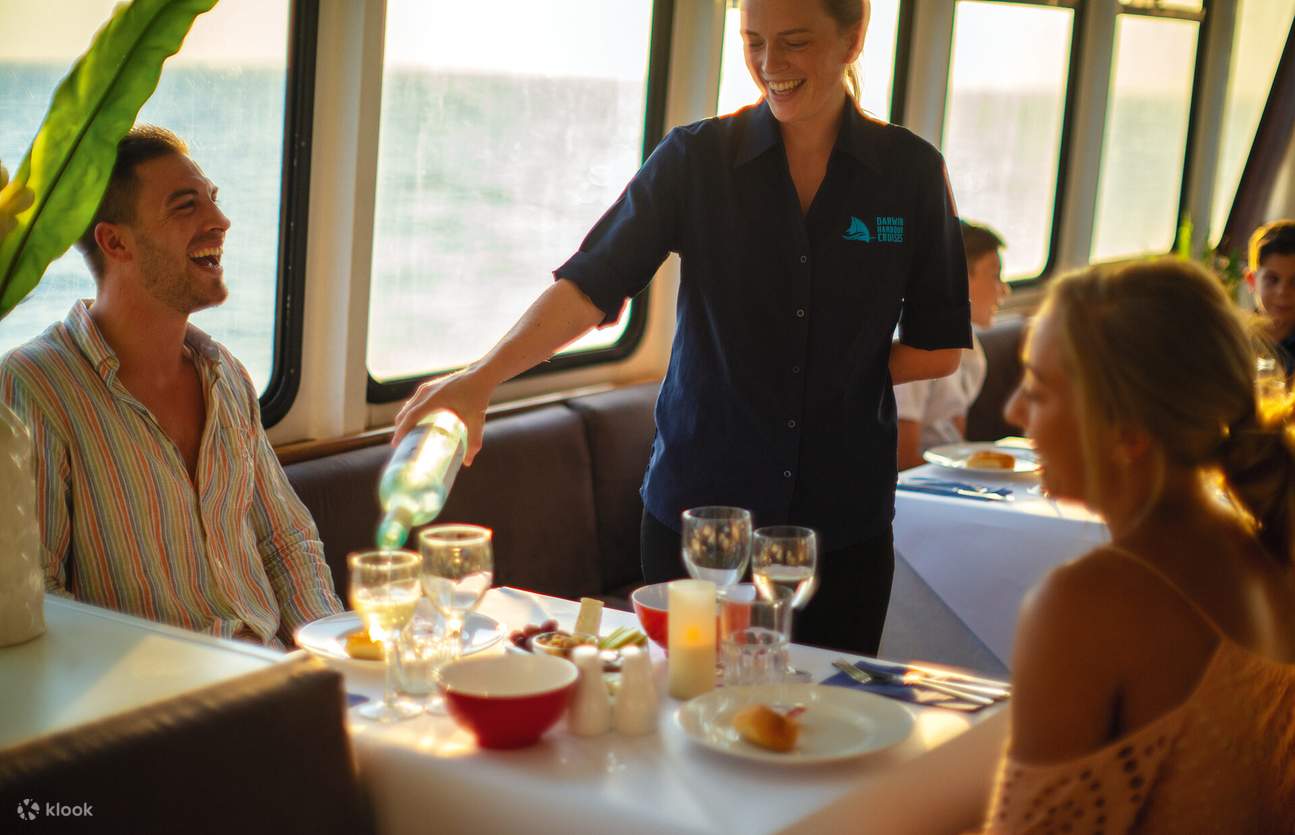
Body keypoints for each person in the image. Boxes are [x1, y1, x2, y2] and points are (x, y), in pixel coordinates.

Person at [394, 0, 970, 655]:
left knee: (825, 732)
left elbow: (938, 348)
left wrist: (828, 366)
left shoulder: (910, 173)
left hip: (839, 530)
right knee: (683, 722)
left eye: (794, 42)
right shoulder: (696, 160)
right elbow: (590, 283)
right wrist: (480, 380)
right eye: (752, 41)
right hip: (696, 521)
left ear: (854, 36)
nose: (768, 64)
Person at [976, 258, 1295, 831]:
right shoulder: (1262, 548)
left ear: (1126, 433)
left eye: (1039, 391)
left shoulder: (1087, 602)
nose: (1013, 411)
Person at [0, 126, 343, 647]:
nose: (220, 221)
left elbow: (285, 542)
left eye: (213, 200)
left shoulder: (225, 374)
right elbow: (39, 596)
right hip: (157, 704)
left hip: (274, 681)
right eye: (186, 206)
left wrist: (336, 661)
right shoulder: (36, 387)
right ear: (116, 241)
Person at [894, 220, 1006, 469]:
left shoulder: (972, 351)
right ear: (959, 275)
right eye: (995, 275)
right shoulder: (914, 344)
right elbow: (902, 459)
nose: (1004, 290)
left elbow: (957, 438)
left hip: (946, 469)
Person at [1245, 219, 1295, 374]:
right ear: (1252, 281)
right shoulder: (1234, 342)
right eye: (1272, 279)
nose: (1283, 291)